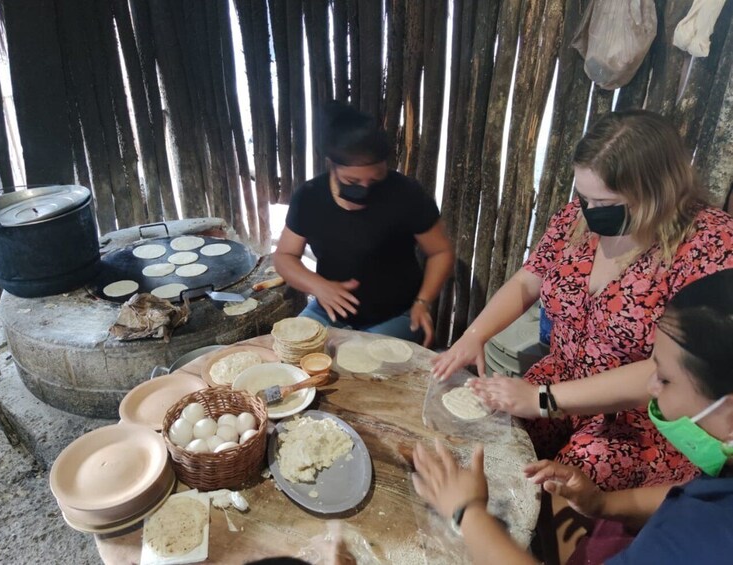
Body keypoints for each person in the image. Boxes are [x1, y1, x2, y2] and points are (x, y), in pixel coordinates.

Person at [433, 110, 733, 490]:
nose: (590, 213)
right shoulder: (579, 217)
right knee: (485, 438)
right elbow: (530, 279)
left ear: (660, 190)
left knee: (551, 484)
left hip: (640, 419)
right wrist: (474, 334)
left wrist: (542, 400)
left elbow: (670, 370)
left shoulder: (710, 246)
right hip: (559, 377)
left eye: (605, 203)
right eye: (583, 197)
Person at [414, 269, 733, 564]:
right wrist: (602, 504)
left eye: (663, 379)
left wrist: (466, 513)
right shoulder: (719, 474)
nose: (649, 386)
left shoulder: (702, 533)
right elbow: (683, 494)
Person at [274, 102, 454, 347]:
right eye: (353, 180)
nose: (365, 187)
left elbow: (441, 252)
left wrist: (423, 302)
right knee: (292, 351)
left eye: (376, 177)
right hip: (330, 308)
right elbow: (285, 256)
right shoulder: (310, 197)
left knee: (358, 363)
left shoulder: (405, 194)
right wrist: (319, 286)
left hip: (397, 312)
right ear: (332, 165)